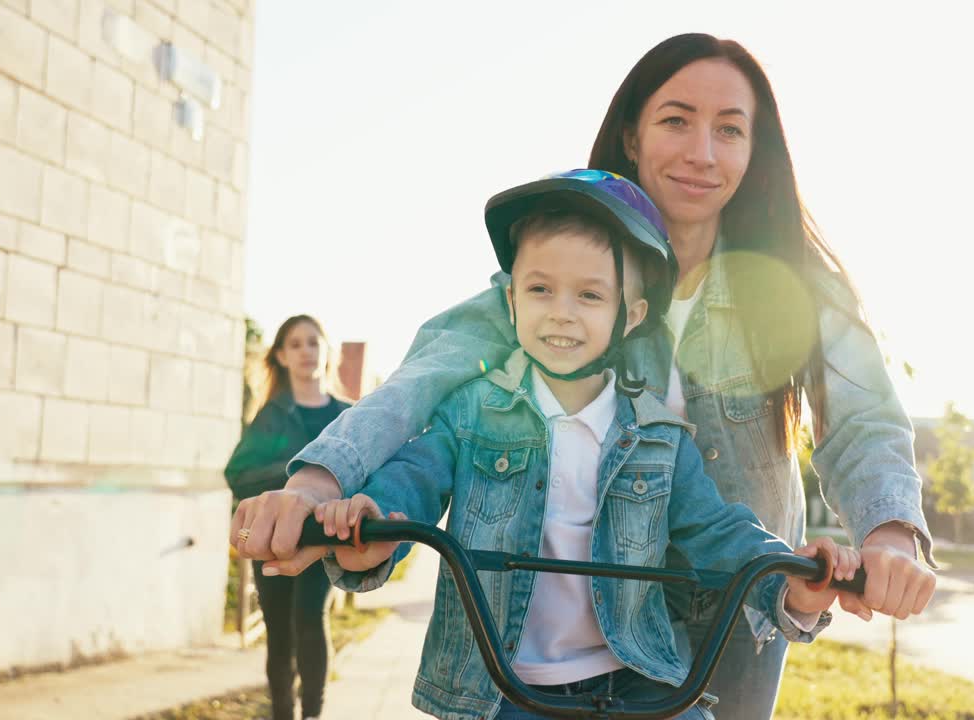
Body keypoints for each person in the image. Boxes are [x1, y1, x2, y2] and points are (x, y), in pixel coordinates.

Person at [237, 34, 937, 719]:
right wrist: (315, 487)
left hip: (741, 599)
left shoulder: (796, 289)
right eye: (676, 121)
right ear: (631, 135)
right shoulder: (554, 279)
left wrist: (889, 540)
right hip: (580, 617)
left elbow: (863, 419)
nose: (701, 151)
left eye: (729, 130)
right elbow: (418, 385)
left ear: (754, 154)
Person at [308, 169, 864, 720]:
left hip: (637, 679)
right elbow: (414, 480)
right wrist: (374, 525)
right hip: (498, 691)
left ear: (632, 316)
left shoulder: (659, 437)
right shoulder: (471, 413)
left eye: (591, 295)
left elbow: (721, 530)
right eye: (540, 289)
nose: (562, 311)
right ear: (510, 304)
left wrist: (787, 579)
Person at [225, 314, 352, 720]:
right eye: (295, 344)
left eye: (313, 342)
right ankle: (282, 712)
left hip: (322, 539)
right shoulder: (272, 415)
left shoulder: (348, 416)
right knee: (280, 631)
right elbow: (238, 473)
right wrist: (295, 481)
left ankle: (313, 713)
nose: (305, 351)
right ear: (280, 356)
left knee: (310, 618)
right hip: (273, 541)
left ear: (326, 350)